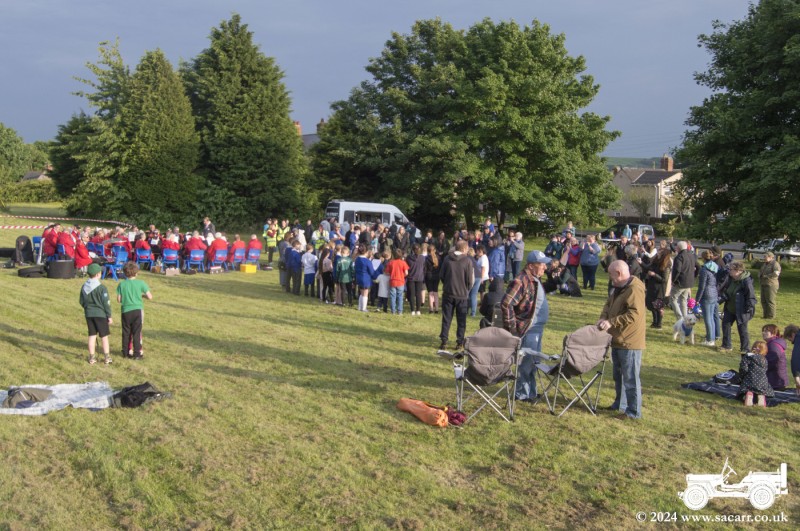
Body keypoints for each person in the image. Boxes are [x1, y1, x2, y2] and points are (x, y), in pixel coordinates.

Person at [597, 260, 646, 420]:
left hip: (629, 342)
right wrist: (603, 317)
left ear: (618, 273)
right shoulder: (619, 288)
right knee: (618, 376)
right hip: (617, 339)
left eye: (611, 275)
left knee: (630, 378)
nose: (610, 278)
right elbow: (608, 304)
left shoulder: (634, 289)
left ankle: (633, 412)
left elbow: (634, 314)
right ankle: (620, 405)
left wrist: (611, 322)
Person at [501, 250, 550, 402]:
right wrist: (512, 328)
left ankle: (531, 393)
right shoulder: (521, 281)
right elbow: (506, 303)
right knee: (526, 363)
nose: (545, 267)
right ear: (531, 266)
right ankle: (521, 394)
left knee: (533, 362)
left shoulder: (534, 279)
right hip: (527, 330)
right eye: (541, 264)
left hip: (537, 329)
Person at [438, 240, 475, 351]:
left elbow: (442, 275)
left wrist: (448, 285)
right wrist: (466, 289)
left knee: (446, 318)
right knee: (461, 320)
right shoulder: (467, 261)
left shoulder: (447, 259)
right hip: (461, 294)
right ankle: (459, 342)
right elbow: (470, 280)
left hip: (448, 293)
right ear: (464, 249)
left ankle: (444, 340)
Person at [116, 262, 152, 360]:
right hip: (137, 310)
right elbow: (150, 296)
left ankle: (125, 352)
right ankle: (137, 353)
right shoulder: (141, 283)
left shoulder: (122, 284)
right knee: (137, 332)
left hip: (126, 311)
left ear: (125, 273)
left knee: (126, 332)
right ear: (136, 273)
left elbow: (119, 299)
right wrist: (142, 296)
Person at [718, 261, 756, 353]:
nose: (729, 271)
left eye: (731, 269)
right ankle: (726, 345)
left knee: (742, 329)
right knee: (725, 325)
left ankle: (745, 349)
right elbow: (727, 291)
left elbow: (751, 297)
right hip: (730, 308)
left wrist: (749, 308)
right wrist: (721, 299)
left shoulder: (746, 281)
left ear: (738, 270)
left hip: (742, 310)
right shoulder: (731, 279)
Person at [80, 263, 113, 365]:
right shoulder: (102, 288)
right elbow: (106, 303)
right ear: (98, 274)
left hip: (89, 314)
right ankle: (107, 357)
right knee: (104, 336)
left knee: (92, 335)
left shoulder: (84, 286)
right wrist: (109, 316)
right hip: (101, 314)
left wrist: (87, 308)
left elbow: (81, 301)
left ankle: (92, 357)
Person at [695, 250, 721, 346]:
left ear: (703, 258)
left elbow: (702, 286)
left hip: (706, 295)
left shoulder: (704, 270)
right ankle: (712, 337)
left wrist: (697, 299)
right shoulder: (714, 267)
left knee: (708, 318)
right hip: (714, 294)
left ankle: (710, 340)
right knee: (712, 317)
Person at [739, 340, 773, 407]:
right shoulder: (764, 359)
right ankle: (761, 396)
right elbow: (765, 370)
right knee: (761, 390)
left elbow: (743, 368)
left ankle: (749, 394)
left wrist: (742, 376)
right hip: (763, 382)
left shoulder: (748, 356)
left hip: (750, 380)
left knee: (748, 389)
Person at [670, 241, 695, 320]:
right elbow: (697, 266)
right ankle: (685, 318)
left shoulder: (679, 257)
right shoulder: (691, 255)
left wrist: (673, 280)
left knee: (673, 298)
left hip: (681, 282)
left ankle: (680, 317)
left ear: (678, 248)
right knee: (683, 300)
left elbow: (677, 270)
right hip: (689, 281)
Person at [354, 244, 379, 312]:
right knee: (365, 293)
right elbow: (372, 272)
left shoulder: (357, 259)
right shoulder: (367, 261)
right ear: (366, 252)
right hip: (365, 278)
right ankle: (364, 308)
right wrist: (376, 275)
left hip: (358, 277)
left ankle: (360, 307)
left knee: (361, 293)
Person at [762, 324, 788, 391]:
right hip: (776, 380)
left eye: (766, 331)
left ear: (773, 333)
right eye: (763, 331)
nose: (763, 333)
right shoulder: (772, 343)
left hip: (775, 382)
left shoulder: (773, 345)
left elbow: (771, 362)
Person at [384, 248, 409, 315]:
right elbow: (406, 273)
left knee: (393, 296)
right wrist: (402, 275)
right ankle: (400, 311)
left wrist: (391, 273)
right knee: (400, 296)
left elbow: (386, 272)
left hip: (393, 281)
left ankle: (393, 311)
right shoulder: (403, 262)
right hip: (400, 281)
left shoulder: (390, 262)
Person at [759, 252, 781, 319]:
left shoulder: (775, 264)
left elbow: (776, 273)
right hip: (763, 283)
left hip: (771, 284)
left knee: (770, 300)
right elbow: (761, 271)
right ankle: (765, 315)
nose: (764, 258)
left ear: (771, 257)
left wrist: (766, 276)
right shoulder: (765, 264)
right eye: (764, 256)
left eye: (765, 257)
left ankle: (771, 316)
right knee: (763, 300)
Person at [405, 244, 426, 316]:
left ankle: (412, 310)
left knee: (412, 294)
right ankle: (418, 310)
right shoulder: (422, 258)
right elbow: (424, 268)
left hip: (411, 277)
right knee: (418, 294)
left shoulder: (408, 258)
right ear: (419, 249)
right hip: (420, 277)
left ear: (412, 250)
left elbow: (406, 267)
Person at [783, 324, 800, 397]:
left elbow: (795, 359)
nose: (791, 342)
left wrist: (796, 377)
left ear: (793, 334)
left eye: (790, 339)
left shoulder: (798, 339)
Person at [424, 244, 441, 314]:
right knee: (436, 292)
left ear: (428, 251)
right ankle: (436, 309)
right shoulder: (439, 258)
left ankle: (431, 309)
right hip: (437, 276)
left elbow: (425, 269)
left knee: (430, 292)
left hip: (429, 276)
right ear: (435, 250)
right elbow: (440, 268)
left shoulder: (426, 258)